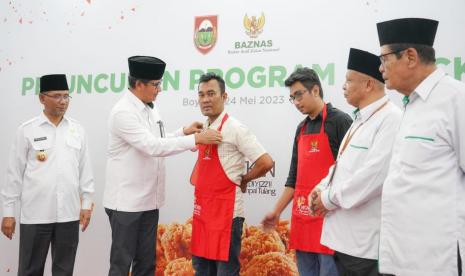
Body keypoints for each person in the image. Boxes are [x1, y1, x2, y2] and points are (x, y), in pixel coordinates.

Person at [103, 56, 222, 276]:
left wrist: (183, 132)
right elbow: (151, 146)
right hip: (126, 204)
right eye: (156, 84)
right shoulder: (123, 112)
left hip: (149, 201)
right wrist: (196, 140)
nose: (159, 89)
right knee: (121, 265)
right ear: (139, 84)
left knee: (147, 263)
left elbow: (157, 138)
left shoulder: (149, 108)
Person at [376, 18, 465, 276]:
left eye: (384, 59)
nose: (380, 68)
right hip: (404, 258)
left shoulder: (455, 99)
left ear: (411, 57)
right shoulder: (410, 104)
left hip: (438, 260)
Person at [308, 48, 401, 276]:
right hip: (343, 242)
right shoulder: (359, 119)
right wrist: (321, 188)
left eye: (349, 80)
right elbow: (341, 165)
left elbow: (373, 177)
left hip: (366, 248)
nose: (343, 86)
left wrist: (328, 199)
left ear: (368, 84)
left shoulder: (391, 119)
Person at [1, 74, 95, 276]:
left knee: (64, 270)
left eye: (66, 96)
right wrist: (8, 212)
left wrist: (86, 204)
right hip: (36, 214)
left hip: (69, 214)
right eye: (57, 96)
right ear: (42, 98)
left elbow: (85, 170)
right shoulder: (27, 130)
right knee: (30, 270)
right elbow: (13, 174)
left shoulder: (77, 130)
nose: (63, 102)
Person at [262, 67, 352, 276]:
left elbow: (349, 172)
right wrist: (276, 212)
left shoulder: (340, 121)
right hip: (303, 221)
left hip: (330, 220)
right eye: (292, 97)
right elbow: (294, 177)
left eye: (299, 94)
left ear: (315, 90)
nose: (296, 102)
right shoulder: (301, 128)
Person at [190, 72, 274, 276]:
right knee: (201, 270)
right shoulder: (203, 129)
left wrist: (245, 179)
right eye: (201, 95)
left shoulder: (236, 128)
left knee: (226, 272)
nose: (206, 99)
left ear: (224, 97)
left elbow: (266, 162)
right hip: (203, 214)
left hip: (227, 216)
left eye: (211, 93)